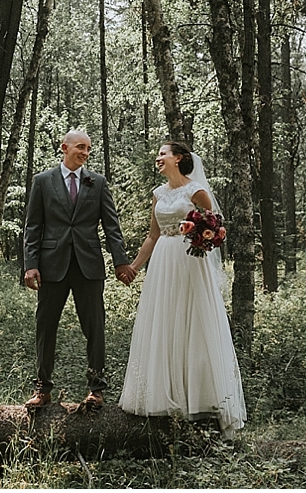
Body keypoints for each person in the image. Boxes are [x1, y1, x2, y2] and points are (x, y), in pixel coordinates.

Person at [118, 141, 246, 438]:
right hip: (163, 261)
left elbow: (213, 227)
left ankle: (203, 398)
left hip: (190, 261)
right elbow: (152, 236)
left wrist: (205, 239)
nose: (158, 158)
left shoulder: (196, 191)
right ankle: (164, 396)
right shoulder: (159, 195)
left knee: (193, 323)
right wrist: (134, 267)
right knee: (165, 322)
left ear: (179, 158)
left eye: (163, 154)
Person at [23, 130, 137, 409]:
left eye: (88, 148)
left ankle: (96, 389)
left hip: (89, 265)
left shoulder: (97, 183)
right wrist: (31, 265)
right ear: (64, 147)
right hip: (52, 267)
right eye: (80, 147)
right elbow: (33, 226)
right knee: (45, 327)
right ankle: (43, 388)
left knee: (95, 328)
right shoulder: (42, 181)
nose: (85, 152)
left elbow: (111, 226)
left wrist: (121, 261)